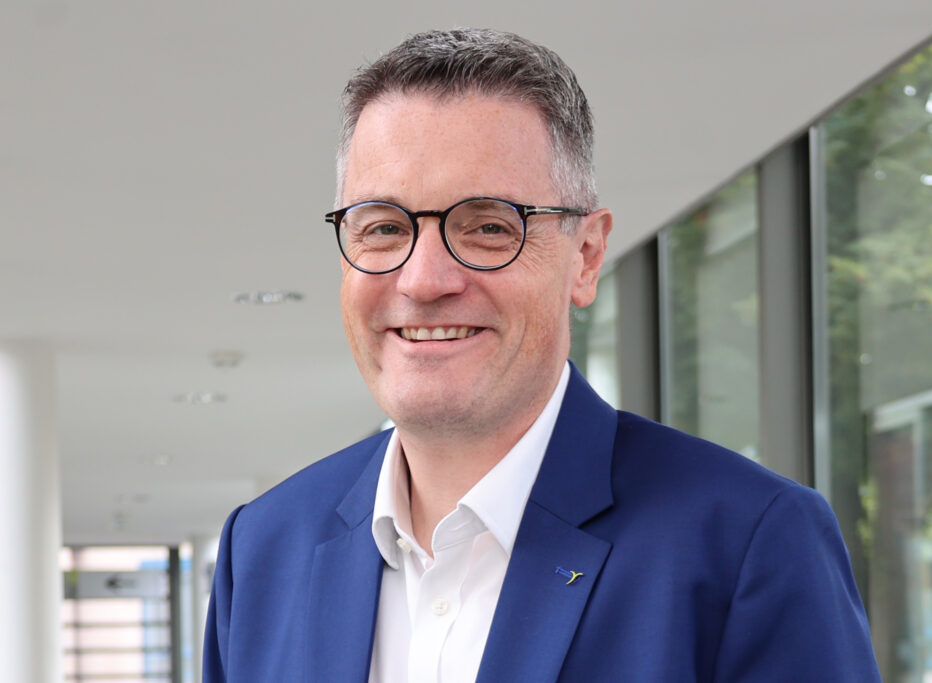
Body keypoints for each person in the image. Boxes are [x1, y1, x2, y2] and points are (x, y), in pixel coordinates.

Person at [203, 28, 880, 682]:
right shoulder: (262, 551)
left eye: (487, 226)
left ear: (585, 256)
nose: (423, 280)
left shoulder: (747, 543)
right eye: (383, 227)